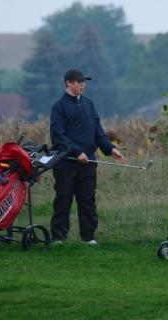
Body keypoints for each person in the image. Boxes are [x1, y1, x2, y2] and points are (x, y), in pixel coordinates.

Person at [50, 68, 126, 245]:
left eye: (83, 82)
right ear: (69, 83)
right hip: (66, 163)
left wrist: (110, 148)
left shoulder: (89, 104)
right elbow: (58, 136)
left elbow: (98, 131)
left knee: (87, 201)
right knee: (63, 200)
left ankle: (88, 237)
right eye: (78, 82)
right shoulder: (59, 107)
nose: (82, 85)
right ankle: (59, 238)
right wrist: (77, 152)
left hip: (88, 162)